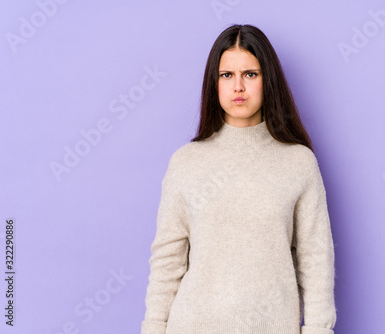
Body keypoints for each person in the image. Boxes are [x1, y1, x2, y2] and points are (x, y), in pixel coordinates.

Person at [141, 24, 337, 334]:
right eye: (227, 75)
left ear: (267, 80)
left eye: (250, 74)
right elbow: (167, 260)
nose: (238, 87)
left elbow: (315, 261)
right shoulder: (187, 162)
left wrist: (318, 329)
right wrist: (153, 327)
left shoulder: (298, 162)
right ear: (214, 83)